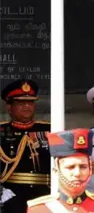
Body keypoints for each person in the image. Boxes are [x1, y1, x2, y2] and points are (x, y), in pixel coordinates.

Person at [26, 128, 94, 212]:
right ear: (56, 170)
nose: (77, 173)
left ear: (90, 169)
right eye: (70, 167)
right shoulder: (38, 209)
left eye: (83, 167)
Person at [0, 79, 51, 212]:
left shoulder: (50, 129)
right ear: (9, 107)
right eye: (21, 103)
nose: (27, 106)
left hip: (45, 195)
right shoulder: (1, 131)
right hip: (12, 197)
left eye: (30, 102)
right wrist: (2, 194)